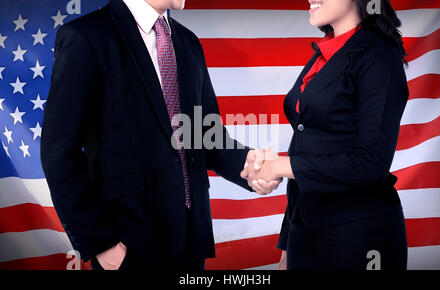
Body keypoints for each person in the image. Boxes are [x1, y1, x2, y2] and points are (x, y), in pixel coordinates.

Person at [41, 0, 280, 271]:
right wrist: (101, 243)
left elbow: (204, 135)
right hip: (127, 244)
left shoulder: (188, 42)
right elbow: (59, 152)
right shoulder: (86, 36)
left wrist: (249, 165)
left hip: (191, 241)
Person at [241, 0, 409, 270]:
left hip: (358, 236)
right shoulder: (325, 52)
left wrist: (280, 166)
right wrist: (287, 245)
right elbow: (306, 145)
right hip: (305, 231)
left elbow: (371, 163)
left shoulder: (379, 56)